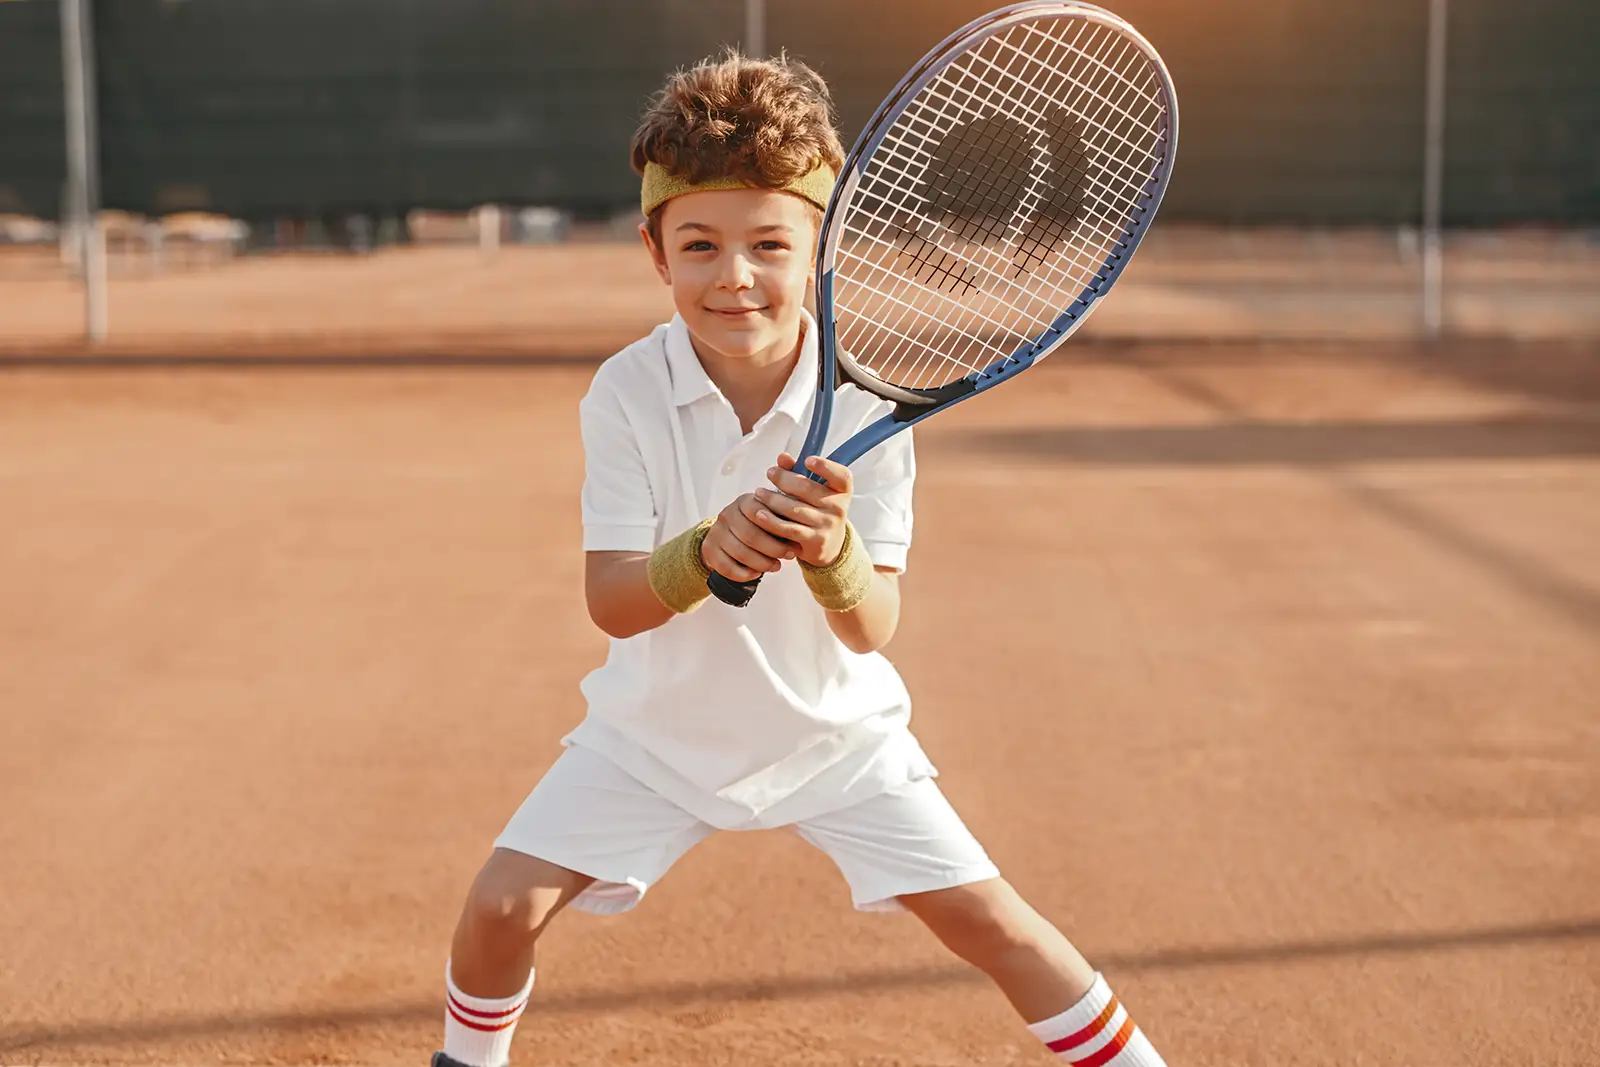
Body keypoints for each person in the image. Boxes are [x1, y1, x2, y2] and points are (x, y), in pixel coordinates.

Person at [431, 50, 1169, 1067]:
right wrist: (701, 552)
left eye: (769, 244)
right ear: (656, 253)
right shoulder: (626, 391)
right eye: (698, 245)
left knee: (993, 926)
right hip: (655, 735)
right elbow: (611, 600)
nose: (733, 277)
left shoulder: (869, 402)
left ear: (822, 249)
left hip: (835, 737)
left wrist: (833, 554)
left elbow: (875, 625)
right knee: (502, 906)